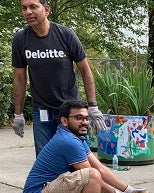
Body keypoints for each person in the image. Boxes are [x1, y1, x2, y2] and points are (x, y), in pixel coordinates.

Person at [23, 99, 144, 193]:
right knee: (92, 178)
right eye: (78, 118)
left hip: (47, 192)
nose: (85, 122)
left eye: (87, 118)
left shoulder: (76, 138)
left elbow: (101, 167)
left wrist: (128, 189)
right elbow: (94, 177)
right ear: (64, 121)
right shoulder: (68, 141)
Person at [12, 0, 106, 156]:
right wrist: (18, 114)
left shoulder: (65, 35)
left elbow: (85, 70)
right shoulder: (21, 39)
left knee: (76, 157)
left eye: (33, 7)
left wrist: (92, 106)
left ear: (46, 9)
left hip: (70, 110)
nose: (28, 12)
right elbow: (20, 78)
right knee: (45, 159)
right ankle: (49, 182)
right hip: (42, 110)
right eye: (24, 8)